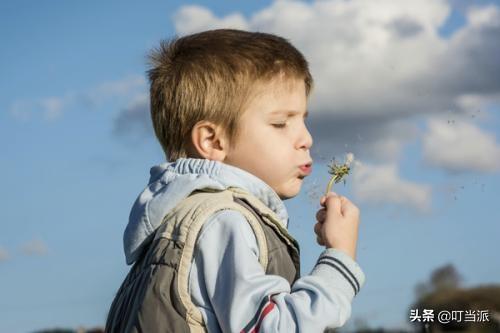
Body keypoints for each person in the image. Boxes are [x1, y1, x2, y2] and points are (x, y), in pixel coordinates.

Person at [105, 28, 365, 333]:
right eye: (281, 123)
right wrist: (339, 257)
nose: (306, 138)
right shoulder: (222, 221)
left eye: (303, 120)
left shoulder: (179, 223)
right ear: (213, 141)